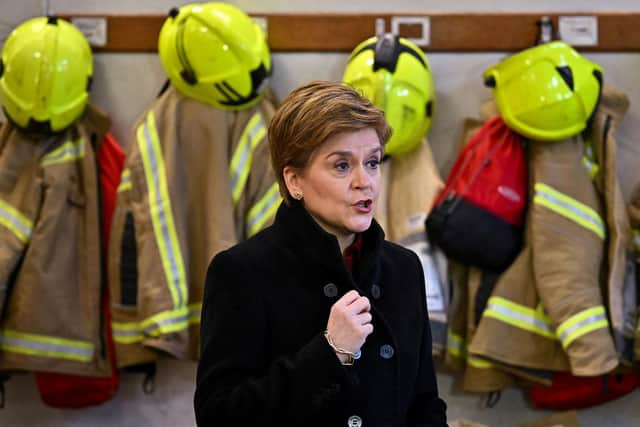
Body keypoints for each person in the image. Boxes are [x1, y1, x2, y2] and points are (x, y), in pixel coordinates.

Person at [195, 81, 448, 426]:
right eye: (342, 166)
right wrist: (330, 353)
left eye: (372, 162)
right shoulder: (241, 272)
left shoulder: (403, 268)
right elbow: (218, 417)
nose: (365, 181)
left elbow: (425, 405)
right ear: (294, 180)